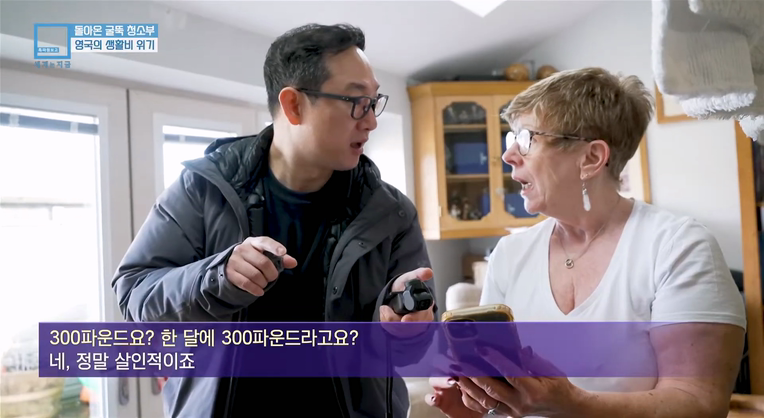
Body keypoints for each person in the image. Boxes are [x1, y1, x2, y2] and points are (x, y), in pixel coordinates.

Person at [112, 23, 437, 418]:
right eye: (356, 102)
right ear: (294, 105)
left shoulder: (391, 213)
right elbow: (133, 296)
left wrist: (407, 328)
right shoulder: (202, 189)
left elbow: (413, 349)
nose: (371, 121)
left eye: (373, 102)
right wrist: (217, 277)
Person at [427, 67, 747, 417]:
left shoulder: (679, 248)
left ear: (591, 158)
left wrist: (572, 403)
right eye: (511, 139)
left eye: (527, 139)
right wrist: (475, 401)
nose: (509, 155)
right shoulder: (509, 254)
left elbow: (699, 403)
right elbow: (503, 395)